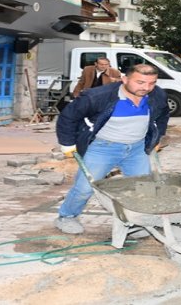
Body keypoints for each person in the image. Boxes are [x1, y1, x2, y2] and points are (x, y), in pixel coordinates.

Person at [54, 64, 170, 234]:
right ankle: (67, 216)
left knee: (143, 187)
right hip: (103, 148)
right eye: (140, 82)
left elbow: (163, 113)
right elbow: (68, 116)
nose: (146, 88)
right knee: (85, 188)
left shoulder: (157, 94)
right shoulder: (98, 96)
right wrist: (67, 143)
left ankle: (139, 221)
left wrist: (158, 136)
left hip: (136, 149)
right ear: (125, 79)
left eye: (151, 83)